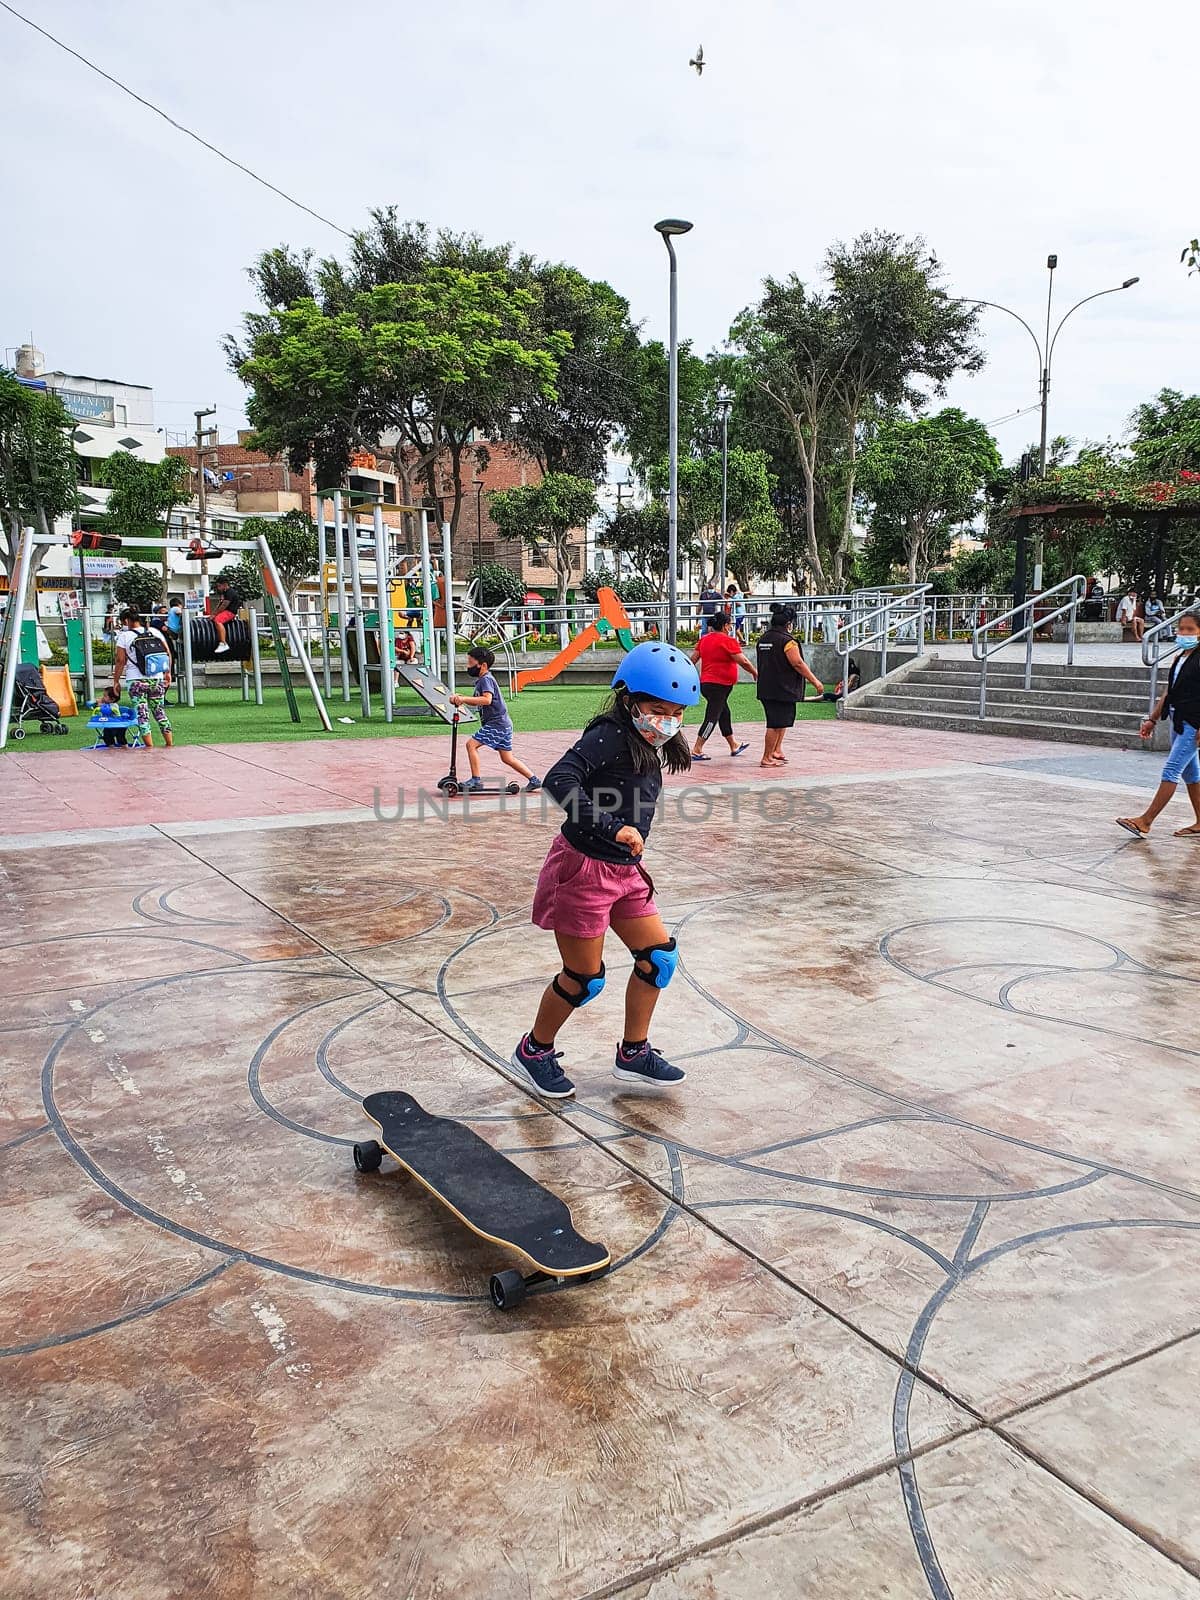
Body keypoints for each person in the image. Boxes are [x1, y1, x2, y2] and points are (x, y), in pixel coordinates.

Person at [509, 641, 700, 1098]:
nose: (667, 721)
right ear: (629, 700)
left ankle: (633, 1052)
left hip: (625, 872)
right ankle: (535, 1050)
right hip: (583, 871)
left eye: (676, 712)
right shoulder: (610, 734)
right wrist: (613, 827)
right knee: (583, 978)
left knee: (659, 959)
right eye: (658, 708)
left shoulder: (646, 740)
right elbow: (559, 780)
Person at [1116, 610, 1200, 839]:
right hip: (1177, 719)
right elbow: (1168, 692)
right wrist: (1153, 719)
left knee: (1172, 770)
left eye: (1190, 630)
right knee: (1191, 773)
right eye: (1181, 629)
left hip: (1193, 722)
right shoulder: (1179, 658)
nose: (1184, 633)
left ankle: (1146, 821)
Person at [448, 646, 541, 793]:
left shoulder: (486, 679)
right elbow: (478, 701)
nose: (468, 666)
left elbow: (487, 700)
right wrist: (462, 700)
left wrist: (463, 699)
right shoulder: (482, 680)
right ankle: (534, 780)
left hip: (497, 724)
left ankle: (476, 780)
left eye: (471, 662)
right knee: (507, 758)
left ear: (482, 665)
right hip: (503, 723)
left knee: (471, 745)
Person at [755, 602, 824, 767]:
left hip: (766, 687)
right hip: (782, 688)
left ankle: (775, 751)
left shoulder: (763, 639)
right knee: (775, 724)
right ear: (788, 623)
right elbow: (797, 663)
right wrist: (815, 681)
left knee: (780, 721)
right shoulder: (788, 641)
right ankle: (766, 757)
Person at [689, 610, 755, 759]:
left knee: (724, 713)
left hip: (707, 684)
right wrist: (754, 672)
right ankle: (697, 749)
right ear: (725, 626)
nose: (731, 627)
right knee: (712, 717)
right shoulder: (728, 641)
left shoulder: (704, 640)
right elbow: (743, 661)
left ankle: (733, 745)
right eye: (730, 624)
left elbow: (693, 660)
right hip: (719, 685)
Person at [113, 607, 174, 749]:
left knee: (142, 714)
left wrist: (116, 680)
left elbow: (120, 660)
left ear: (126, 620)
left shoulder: (124, 636)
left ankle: (149, 747)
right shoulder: (154, 631)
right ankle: (169, 744)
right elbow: (167, 652)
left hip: (136, 680)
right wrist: (167, 673)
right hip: (157, 679)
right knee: (159, 711)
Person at [210, 575, 242, 655]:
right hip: (226, 611)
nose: (218, 588)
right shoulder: (224, 593)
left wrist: (215, 615)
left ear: (225, 584)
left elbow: (224, 606)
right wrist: (213, 614)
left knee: (218, 620)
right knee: (215, 618)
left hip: (230, 612)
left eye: (219, 586)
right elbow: (220, 604)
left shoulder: (230, 592)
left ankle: (223, 643)